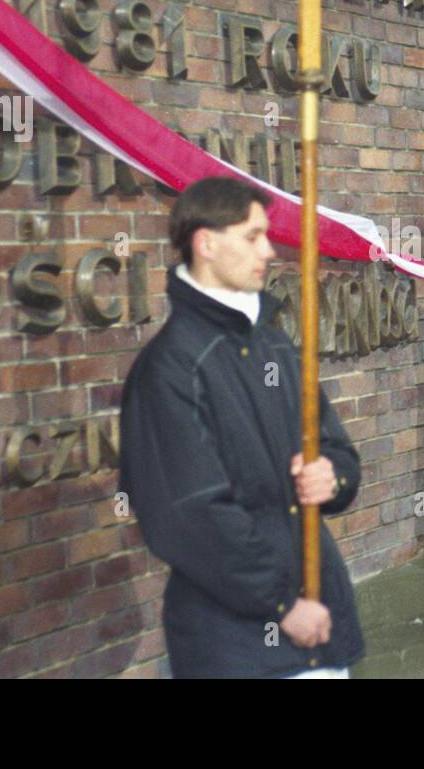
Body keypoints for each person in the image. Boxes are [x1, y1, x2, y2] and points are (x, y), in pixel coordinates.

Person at [119, 177, 364, 678]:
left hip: (319, 629)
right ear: (206, 243)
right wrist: (283, 605)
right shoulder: (170, 368)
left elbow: (339, 450)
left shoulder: (274, 347)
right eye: (252, 236)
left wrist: (331, 476)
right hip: (238, 646)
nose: (269, 251)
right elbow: (191, 516)